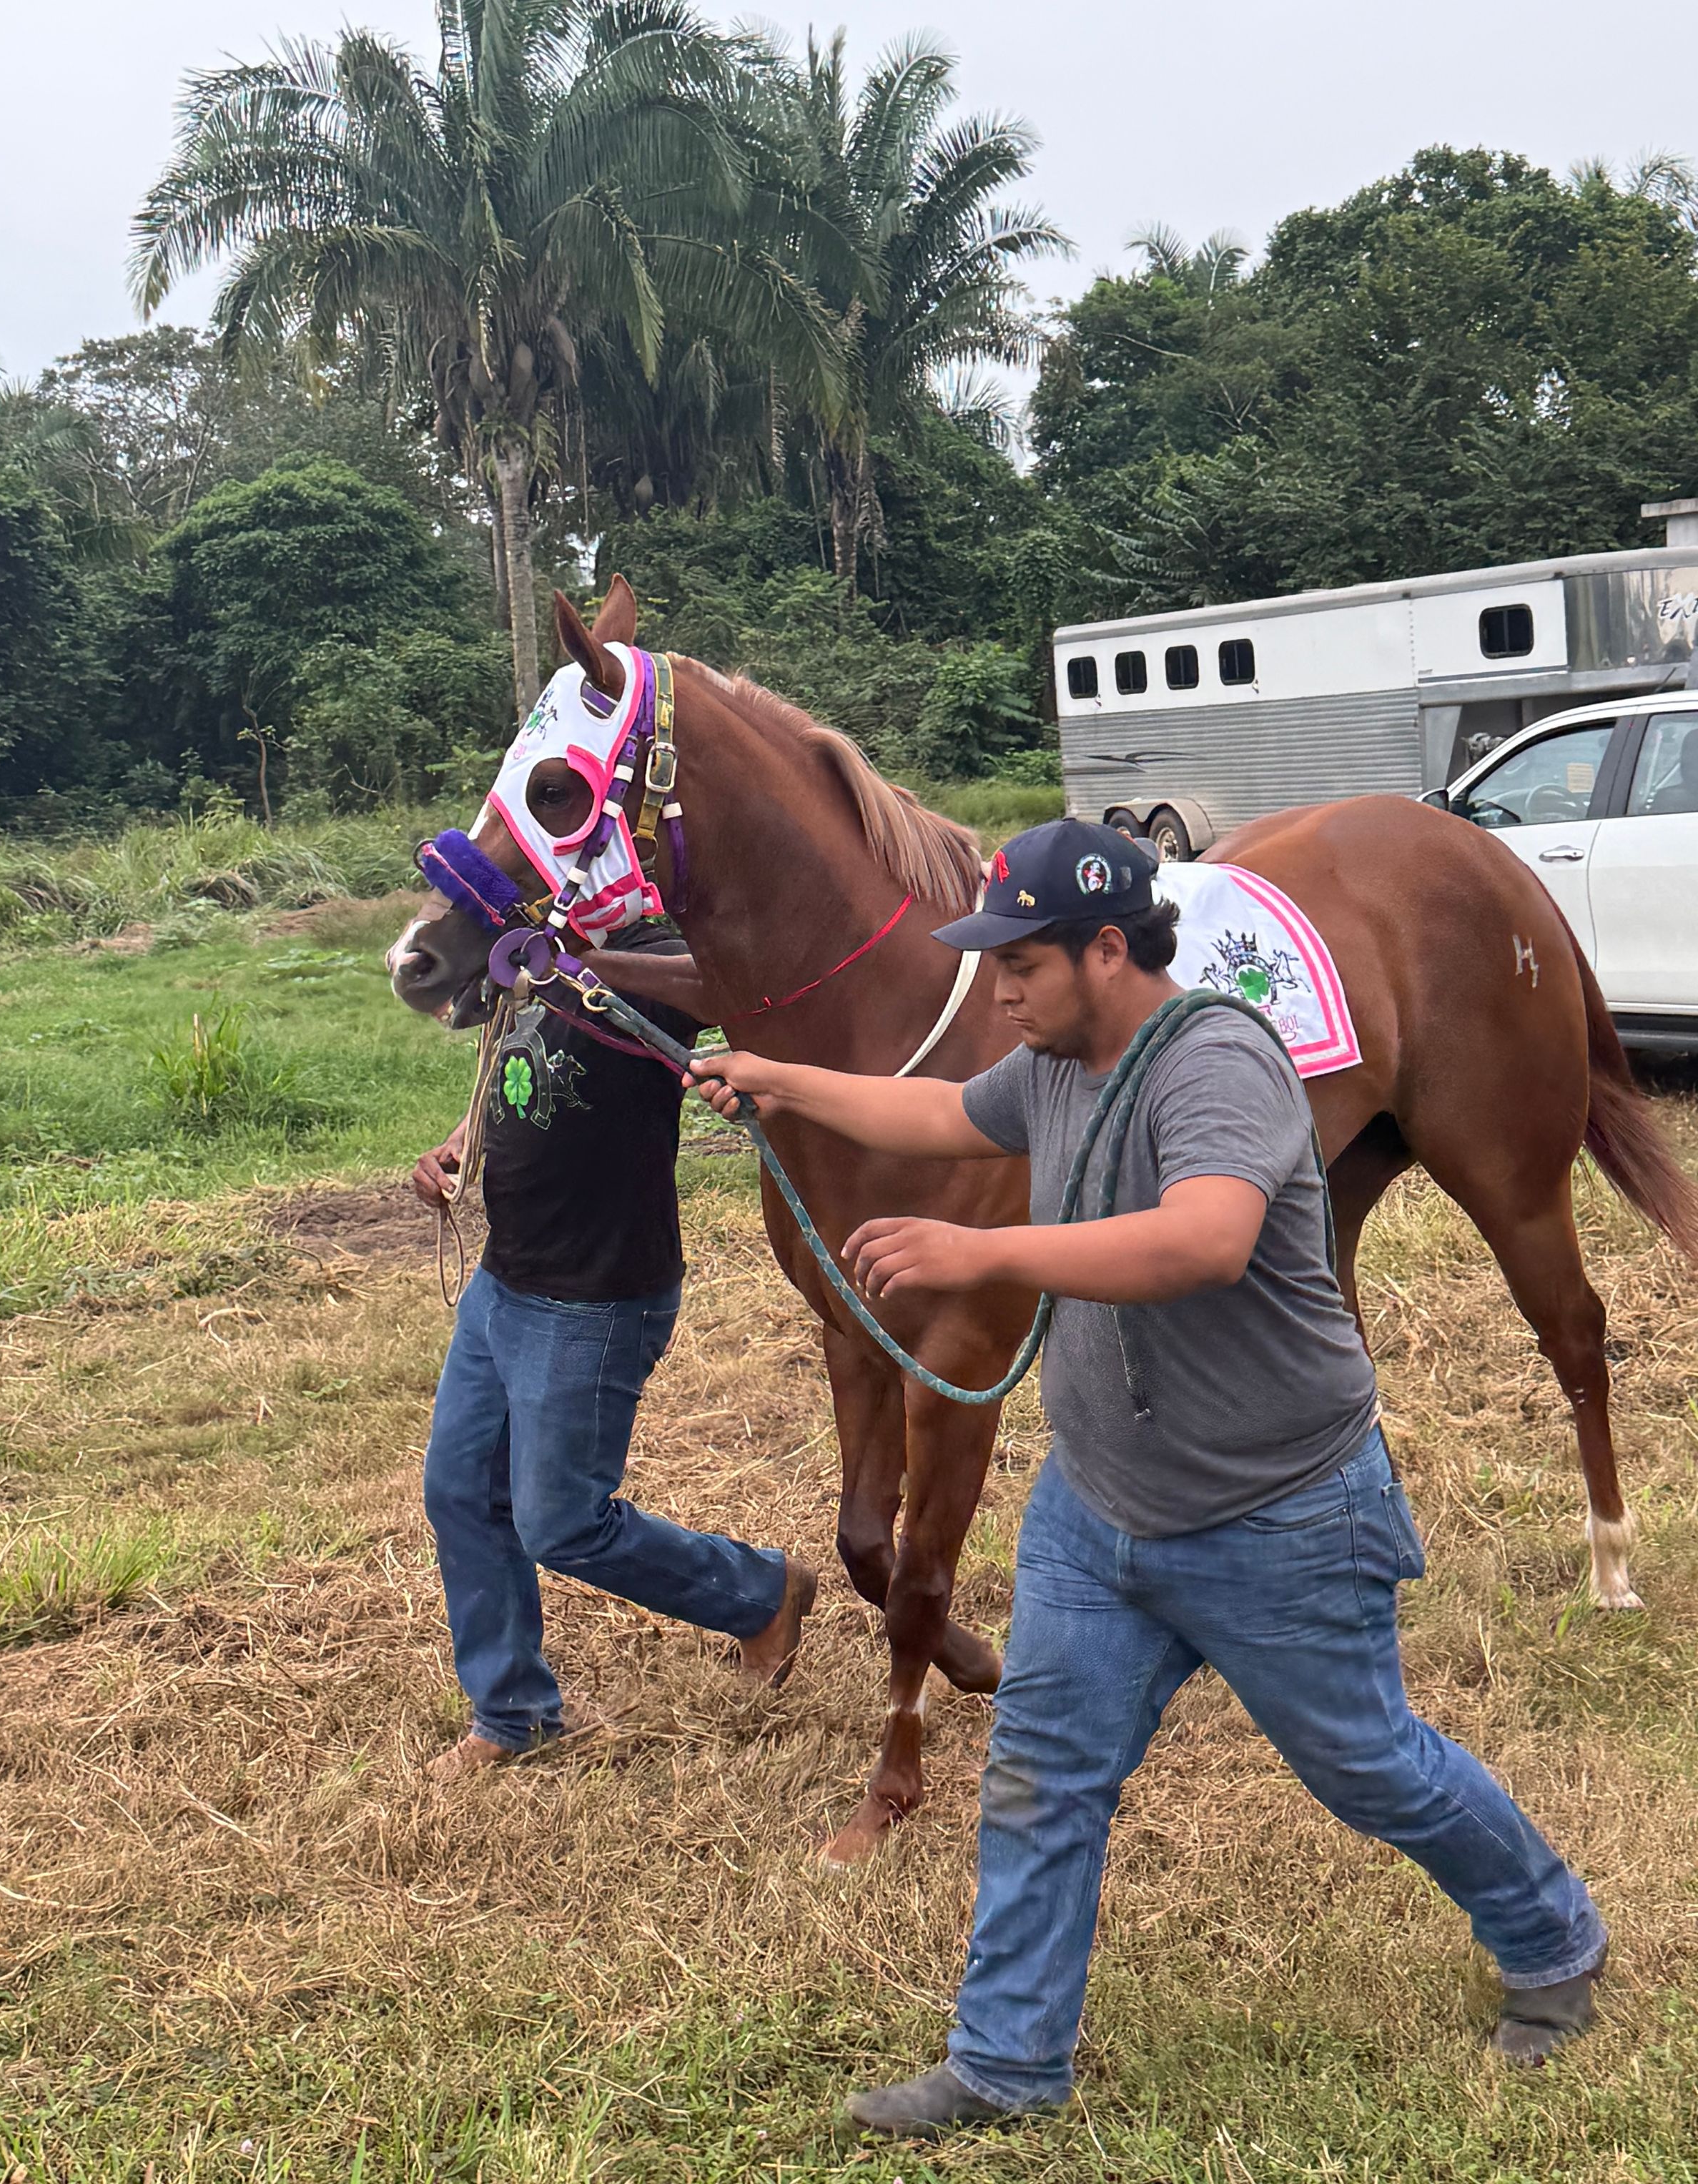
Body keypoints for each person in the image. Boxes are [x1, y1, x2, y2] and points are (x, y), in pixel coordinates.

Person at [688, 818, 1607, 2140]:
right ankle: (1005, 2062)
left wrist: (979, 1253)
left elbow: (1205, 1238)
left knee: (1369, 1767)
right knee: (1043, 1769)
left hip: (1276, 1510)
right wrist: (777, 1078)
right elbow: (940, 1111)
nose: (1000, 991)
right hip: (1100, 1505)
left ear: (1108, 950)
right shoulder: (1050, 1064)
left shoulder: (1216, 1058)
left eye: (1022, 965)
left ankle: (1554, 1934)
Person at [412, 921, 816, 1779]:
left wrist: (590, 962)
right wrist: (462, 1139)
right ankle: (513, 1711)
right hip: (505, 1277)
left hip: (592, 1296)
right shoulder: (536, 948)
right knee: (460, 1488)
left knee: (561, 1522)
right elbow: (516, 1057)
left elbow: (729, 985)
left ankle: (761, 1591)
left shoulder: (655, 952)